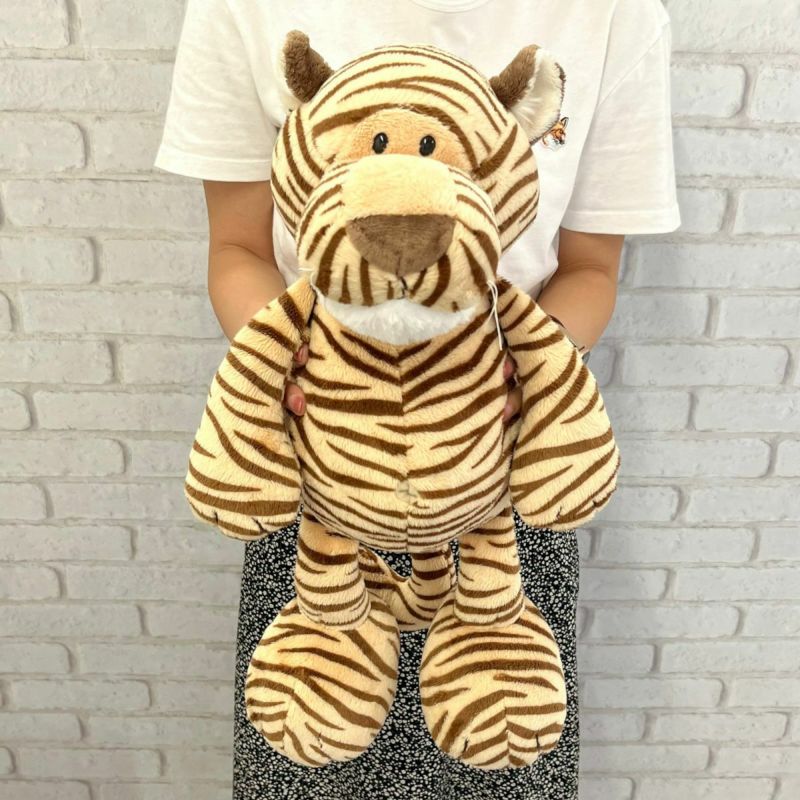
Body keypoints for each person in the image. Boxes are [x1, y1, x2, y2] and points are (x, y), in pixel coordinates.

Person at [154, 0, 680, 797]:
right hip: (323, 471)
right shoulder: (244, 8)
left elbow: (590, 271)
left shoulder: (614, 14)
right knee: (307, 743)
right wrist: (293, 373)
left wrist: (517, 378)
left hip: (497, 472)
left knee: (502, 745)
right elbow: (236, 248)